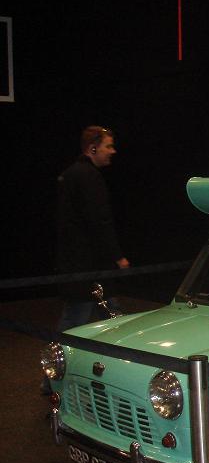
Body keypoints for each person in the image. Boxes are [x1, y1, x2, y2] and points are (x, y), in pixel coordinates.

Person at [41, 126, 130, 394]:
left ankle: (54, 379)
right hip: (90, 270)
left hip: (78, 266)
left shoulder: (70, 175)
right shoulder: (89, 177)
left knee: (108, 319)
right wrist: (117, 256)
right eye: (108, 146)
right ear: (93, 148)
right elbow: (99, 222)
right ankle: (50, 379)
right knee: (81, 322)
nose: (112, 151)